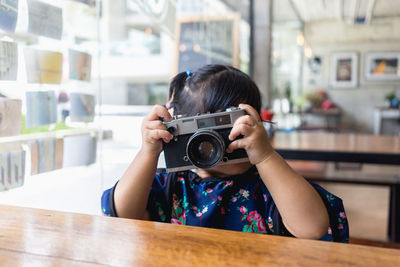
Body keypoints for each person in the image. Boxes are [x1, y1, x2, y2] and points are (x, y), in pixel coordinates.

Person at [101, 64, 348, 242]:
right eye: (201, 131)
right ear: (178, 131)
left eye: (226, 128)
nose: (212, 145)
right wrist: (148, 152)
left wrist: (265, 157)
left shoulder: (268, 187)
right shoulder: (173, 184)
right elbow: (120, 215)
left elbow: (312, 227)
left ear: (254, 126)